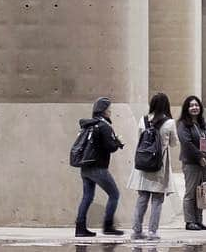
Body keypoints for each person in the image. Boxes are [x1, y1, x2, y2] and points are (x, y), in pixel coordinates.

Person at [127, 92, 178, 241]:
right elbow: (174, 143)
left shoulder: (142, 121)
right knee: (157, 200)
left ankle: (136, 231)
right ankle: (152, 232)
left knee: (142, 198)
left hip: (143, 166)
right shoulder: (169, 123)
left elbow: (139, 139)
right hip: (158, 167)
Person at [75, 96, 125, 239]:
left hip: (85, 167)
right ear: (103, 110)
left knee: (87, 197)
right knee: (114, 194)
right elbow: (110, 147)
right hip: (98, 167)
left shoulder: (89, 124)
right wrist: (118, 142)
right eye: (109, 109)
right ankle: (108, 226)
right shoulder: (104, 126)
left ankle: (80, 228)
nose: (110, 111)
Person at [177, 95, 206, 231]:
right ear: (187, 109)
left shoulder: (205, 125)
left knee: (201, 193)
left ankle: (198, 221)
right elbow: (186, 143)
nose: (195, 108)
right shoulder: (183, 125)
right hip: (192, 164)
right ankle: (189, 221)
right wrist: (200, 157)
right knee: (191, 193)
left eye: (197, 105)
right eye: (191, 105)